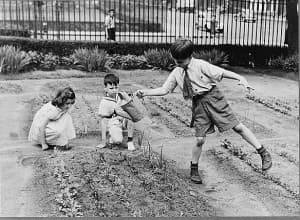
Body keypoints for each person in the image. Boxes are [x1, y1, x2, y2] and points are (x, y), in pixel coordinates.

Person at [135, 39, 272, 184]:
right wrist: (144, 92)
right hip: (198, 104)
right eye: (176, 61)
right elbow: (164, 90)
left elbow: (222, 72)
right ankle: (194, 169)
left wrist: (240, 77)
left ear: (190, 56)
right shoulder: (177, 72)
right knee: (200, 139)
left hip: (214, 98)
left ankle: (263, 152)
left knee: (237, 127)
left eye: (181, 62)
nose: (178, 64)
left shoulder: (201, 65)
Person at [28, 87, 76, 151]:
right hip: (40, 128)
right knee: (58, 131)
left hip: (52, 121)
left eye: (71, 103)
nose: (69, 106)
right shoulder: (53, 111)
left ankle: (63, 142)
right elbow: (41, 127)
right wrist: (43, 144)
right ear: (61, 101)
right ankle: (53, 143)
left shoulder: (62, 107)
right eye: (67, 103)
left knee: (67, 118)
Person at [98, 74, 137, 151]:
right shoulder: (104, 102)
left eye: (116, 87)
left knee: (131, 116)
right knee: (118, 141)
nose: (114, 90)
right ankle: (112, 137)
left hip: (122, 119)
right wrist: (103, 141)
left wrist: (128, 97)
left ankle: (130, 141)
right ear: (105, 89)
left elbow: (131, 104)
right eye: (111, 88)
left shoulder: (119, 96)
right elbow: (103, 121)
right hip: (112, 122)